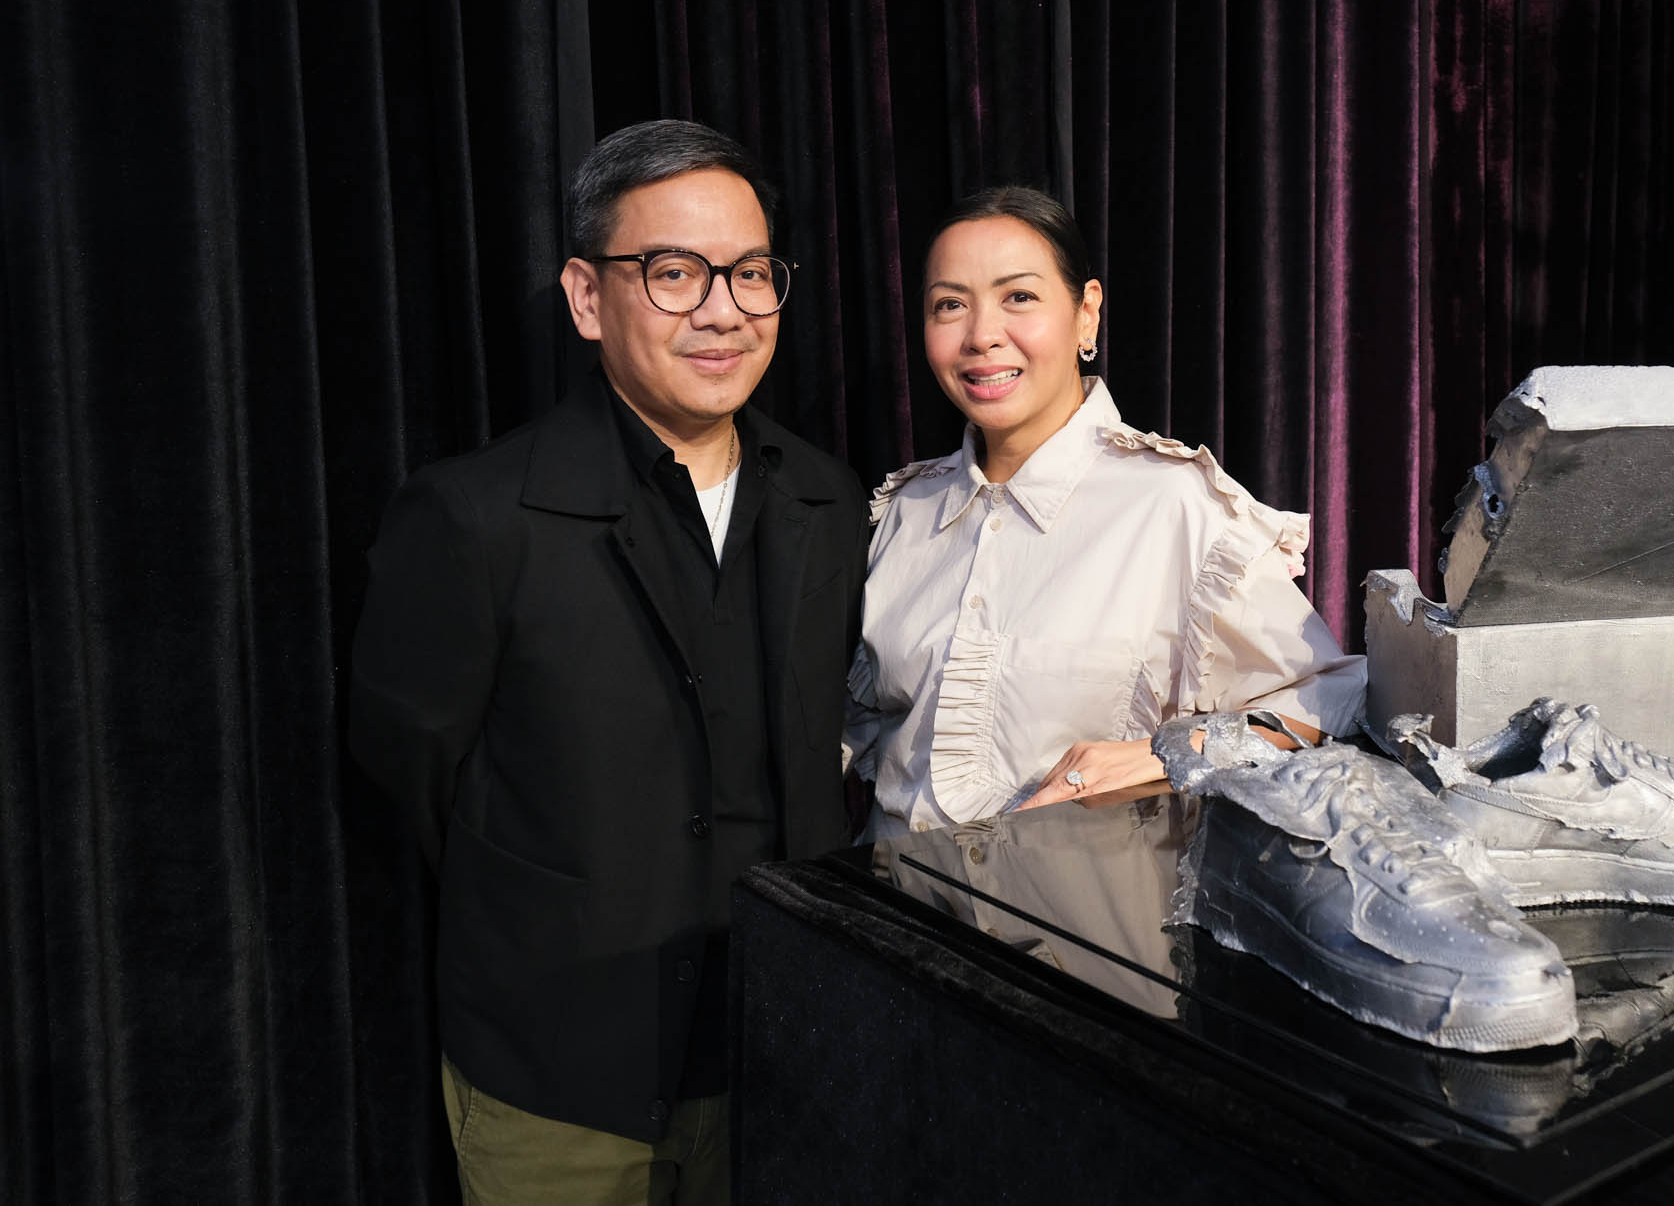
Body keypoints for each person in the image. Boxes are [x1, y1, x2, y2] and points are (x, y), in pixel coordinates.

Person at [349, 120, 865, 1204]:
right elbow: (414, 768)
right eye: (674, 272)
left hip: (784, 1059)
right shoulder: (474, 515)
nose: (722, 309)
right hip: (558, 1070)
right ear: (587, 298)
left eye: (751, 272)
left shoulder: (827, 499)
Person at [844, 186, 1365, 839]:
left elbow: (1329, 699)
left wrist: (1162, 755)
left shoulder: (1173, 503)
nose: (981, 335)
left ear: (1086, 313)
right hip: (883, 893)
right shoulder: (903, 511)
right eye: (950, 305)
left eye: (1018, 297)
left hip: (1082, 899)